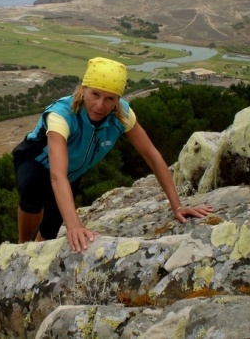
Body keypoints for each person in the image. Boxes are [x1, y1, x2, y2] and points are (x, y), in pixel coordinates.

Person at [13, 57, 213, 253]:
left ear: (117, 99)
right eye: (95, 94)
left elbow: (151, 155)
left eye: (110, 98)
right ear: (83, 90)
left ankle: (34, 255)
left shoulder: (122, 115)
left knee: (50, 229)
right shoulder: (61, 115)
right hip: (35, 161)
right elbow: (57, 175)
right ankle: (21, 247)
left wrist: (177, 207)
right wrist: (74, 226)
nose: (100, 105)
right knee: (32, 190)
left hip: (71, 172)